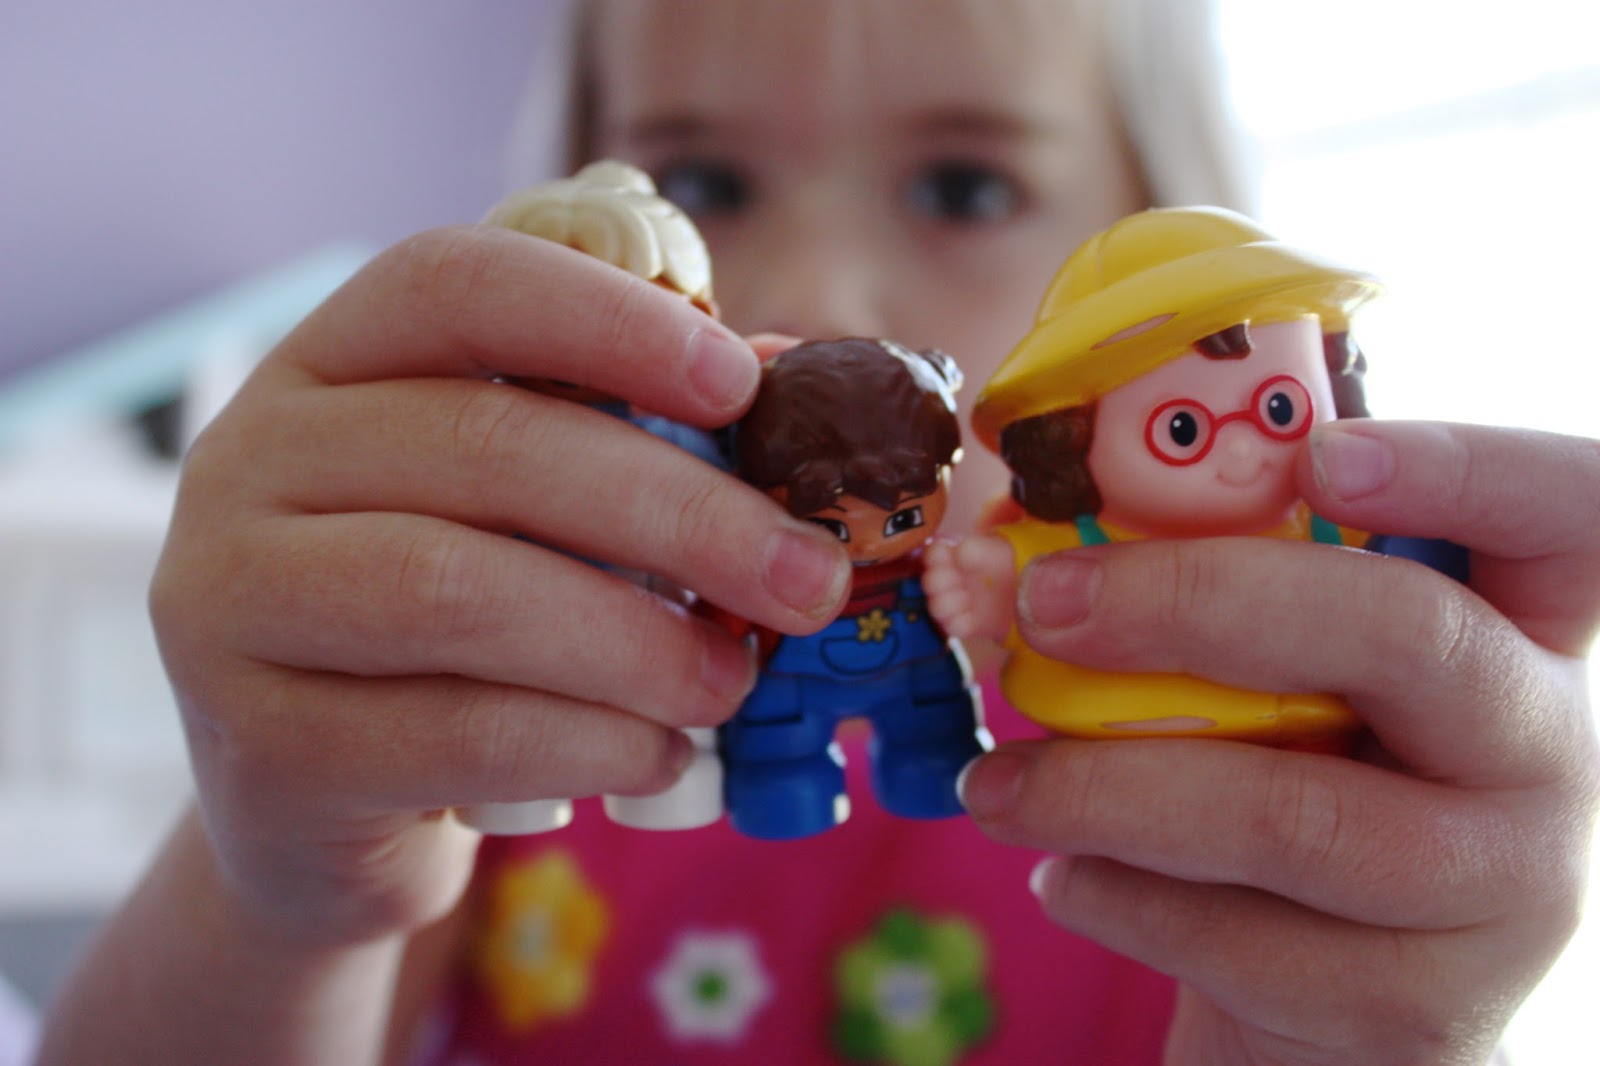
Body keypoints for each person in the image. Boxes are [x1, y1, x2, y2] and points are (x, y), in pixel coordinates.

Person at [35, 1, 1600, 1064]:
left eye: (968, 185)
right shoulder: (521, 711)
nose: (821, 305)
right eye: (705, 178)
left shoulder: (1230, 784)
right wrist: (277, 886)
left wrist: (1381, 982)